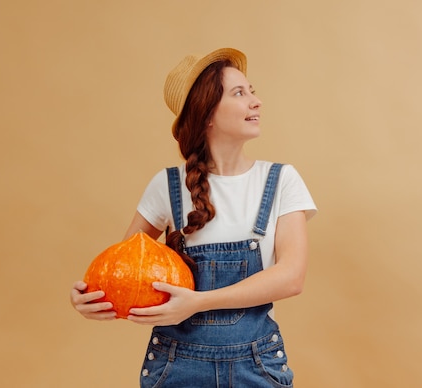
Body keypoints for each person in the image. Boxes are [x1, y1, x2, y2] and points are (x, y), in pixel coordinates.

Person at [70, 47, 317, 387]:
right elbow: (121, 269)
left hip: (256, 366)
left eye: (252, 92)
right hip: (176, 366)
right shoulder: (167, 185)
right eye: (239, 93)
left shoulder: (280, 180)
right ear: (207, 114)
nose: (255, 102)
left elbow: (292, 277)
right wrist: (90, 297)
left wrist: (197, 303)